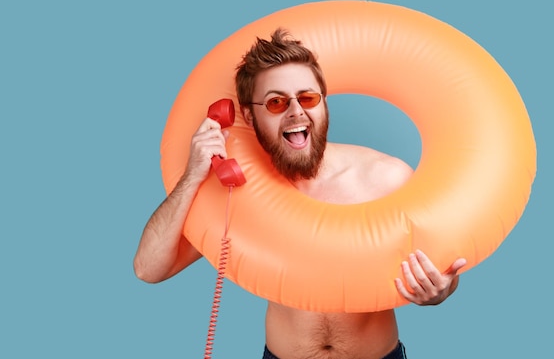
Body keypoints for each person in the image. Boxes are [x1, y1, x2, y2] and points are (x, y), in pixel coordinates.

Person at [134, 29, 467, 359]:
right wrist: (194, 175)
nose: (296, 112)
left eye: (307, 98)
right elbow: (149, 269)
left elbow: (442, 270)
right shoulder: (240, 193)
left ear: (323, 104)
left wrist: (441, 291)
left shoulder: (386, 178)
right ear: (250, 116)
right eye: (276, 102)